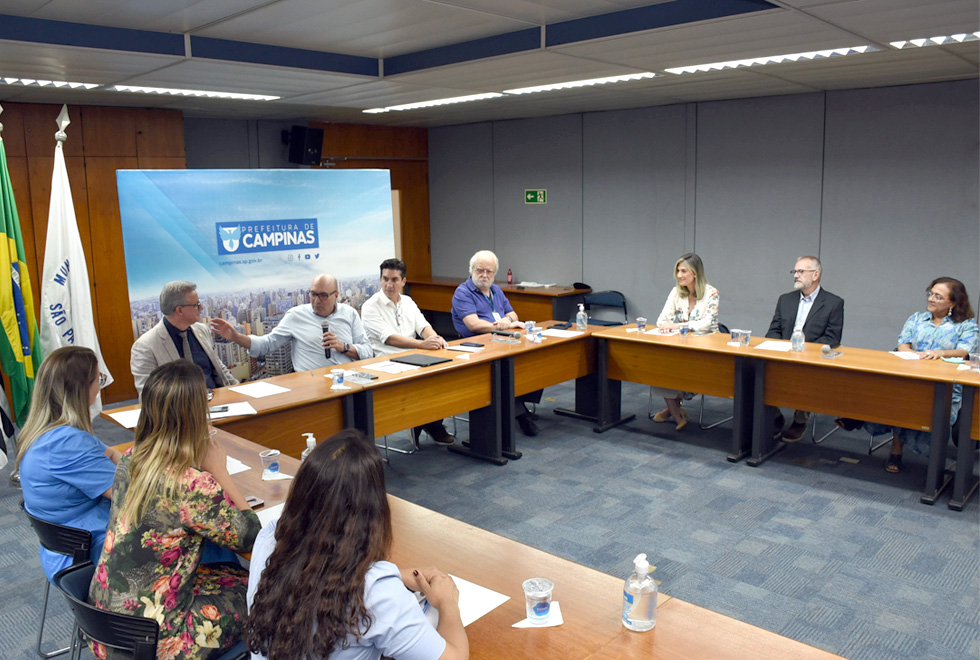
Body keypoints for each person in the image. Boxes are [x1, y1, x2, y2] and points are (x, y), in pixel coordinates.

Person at [246, 429, 469, 660]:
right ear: (373, 509)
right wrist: (447, 603)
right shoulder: (375, 593)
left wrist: (395, 574)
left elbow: (315, 570)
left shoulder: (270, 539)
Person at [90, 360, 261, 660]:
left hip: (104, 625)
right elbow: (253, 537)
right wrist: (219, 473)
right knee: (264, 592)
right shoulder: (192, 485)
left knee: (231, 572)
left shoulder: (131, 460)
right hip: (158, 638)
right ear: (195, 416)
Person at [849, 278, 978, 473]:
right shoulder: (916, 318)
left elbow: (965, 351)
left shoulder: (966, 325)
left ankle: (935, 464)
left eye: (938, 296)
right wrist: (910, 353)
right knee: (896, 398)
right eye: (931, 293)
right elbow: (903, 343)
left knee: (931, 408)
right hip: (912, 378)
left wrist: (940, 354)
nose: (931, 299)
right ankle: (895, 451)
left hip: (946, 385)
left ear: (953, 303)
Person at [15, 346, 121, 582]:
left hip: (69, 544)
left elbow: (112, 454)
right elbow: (132, 496)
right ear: (83, 390)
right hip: (88, 555)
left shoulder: (51, 430)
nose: (99, 386)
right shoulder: (67, 443)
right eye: (99, 379)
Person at [362, 258, 454, 447]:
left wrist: (436, 340)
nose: (389, 284)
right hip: (387, 362)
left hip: (415, 356)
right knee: (423, 380)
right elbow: (389, 338)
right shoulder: (370, 306)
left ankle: (430, 422)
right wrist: (422, 345)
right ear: (380, 280)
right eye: (385, 279)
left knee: (446, 374)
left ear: (403, 281)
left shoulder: (408, 301)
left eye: (394, 280)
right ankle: (422, 422)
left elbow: (423, 326)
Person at [450, 250, 541, 436]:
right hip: (475, 346)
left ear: (494, 273)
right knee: (505, 369)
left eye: (489, 271)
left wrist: (507, 321)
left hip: (501, 340)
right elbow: (473, 324)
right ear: (471, 270)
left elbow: (513, 314)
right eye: (480, 270)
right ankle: (521, 415)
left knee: (535, 358)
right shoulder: (463, 292)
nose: (484, 275)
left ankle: (518, 403)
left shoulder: (495, 290)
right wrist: (499, 326)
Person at [212, 273, 372, 372]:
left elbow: (367, 351)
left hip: (348, 379)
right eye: (313, 294)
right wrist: (235, 336)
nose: (316, 300)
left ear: (336, 295)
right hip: (310, 384)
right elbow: (266, 344)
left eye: (323, 295)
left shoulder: (349, 313)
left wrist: (343, 347)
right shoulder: (296, 315)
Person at [765, 256, 844, 441]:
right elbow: (773, 330)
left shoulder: (834, 303)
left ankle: (800, 420)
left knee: (806, 374)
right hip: (782, 356)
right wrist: (782, 348)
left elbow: (832, 338)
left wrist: (803, 350)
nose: (795, 276)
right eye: (794, 272)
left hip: (810, 358)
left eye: (801, 272)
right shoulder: (785, 300)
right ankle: (775, 416)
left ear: (815, 275)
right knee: (759, 370)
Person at [650, 253, 720, 431]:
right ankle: (676, 414)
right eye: (678, 271)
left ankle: (672, 410)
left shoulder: (712, 293)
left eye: (683, 271)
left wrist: (674, 325)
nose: (679, 275)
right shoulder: (676, 292)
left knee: (676, 370)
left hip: (705, 348)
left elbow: (706, 324)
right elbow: (661, 320)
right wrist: (671, 326)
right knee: (658, 365)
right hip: (680, 345)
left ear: (695, 273)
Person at [131, 280, 238, 396]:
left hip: (219, 401)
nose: (201, 308)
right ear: (179, 310)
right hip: (180, 411)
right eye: (196, 305)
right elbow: (148, 396)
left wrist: (239, 392)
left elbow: (220, 369)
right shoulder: (146, 346)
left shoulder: (202, 330)